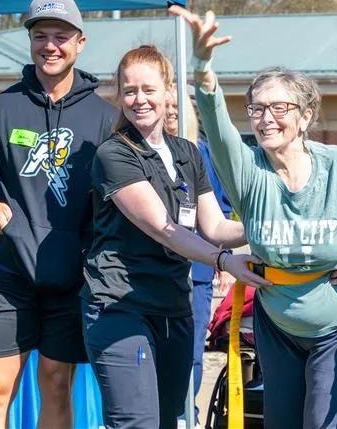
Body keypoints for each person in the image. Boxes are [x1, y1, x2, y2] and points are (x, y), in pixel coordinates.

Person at [170, 5, 337, 429]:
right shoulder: (248, 171)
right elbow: (217, 124)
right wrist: (203, 66)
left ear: (305, 116)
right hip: (276, 327)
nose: (266, 118)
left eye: (279, 107)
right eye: (257, 109)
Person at [0, 0, 118, 428]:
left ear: (80, 42)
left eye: (61, 37)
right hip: (9, 278)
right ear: (30, 41)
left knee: (56, 385)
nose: (50, 45)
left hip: (73, 278)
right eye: (40, 36)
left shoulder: (105, 118)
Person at [81, 45, 267, 429]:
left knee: (170, 420)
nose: (139, 99)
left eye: (149, 89)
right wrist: (223, 261)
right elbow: (165, 229)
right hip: (120, 307)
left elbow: (216, 228)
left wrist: (271, 223)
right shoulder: (113, 154)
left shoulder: (187, 153)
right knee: (137, 423)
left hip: (173, 308)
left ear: (169, 92)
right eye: (129, 90)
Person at [163, 86, 235, 424]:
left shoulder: (204, 155)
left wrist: (223, 254)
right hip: (155, 268)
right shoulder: (143, 154)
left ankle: (184, 414)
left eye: (178, 108)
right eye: (167, 107)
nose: (172, 114)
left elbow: (220, 210)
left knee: (191, 350)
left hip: (197, 271)